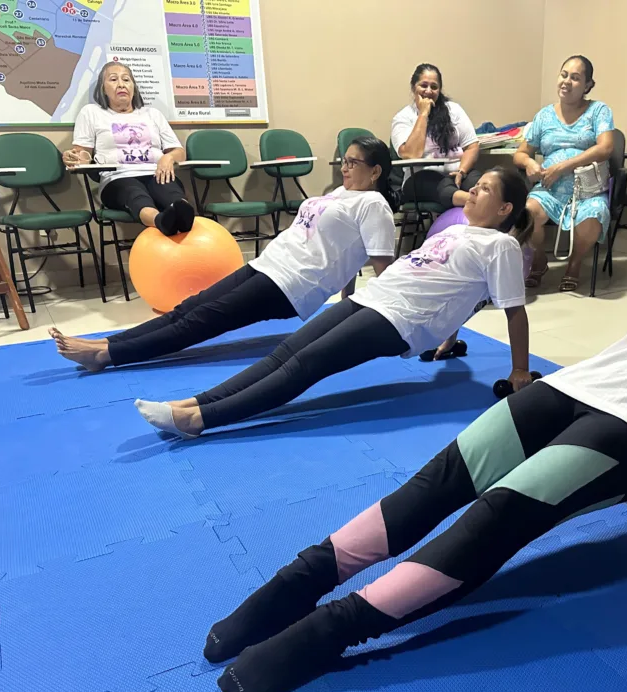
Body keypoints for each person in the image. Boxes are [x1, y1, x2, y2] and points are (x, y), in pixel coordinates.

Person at [202, 147, 627, 692]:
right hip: (582, 385)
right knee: (440, 480)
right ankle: (303, 580)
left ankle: (333, 629)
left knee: (502, 511)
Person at [133, 168, 534, 437]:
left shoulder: (500, 245)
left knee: (308, 364)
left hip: (400, 319)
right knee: (286, 351)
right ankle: (195, 401)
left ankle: (201, 419)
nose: (474, 189)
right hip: (376, 297)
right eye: (476, 183)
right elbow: (449, 286)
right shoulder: (457, 231)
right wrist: (449, 337)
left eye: (485, 188)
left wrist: (519, 371)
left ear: (504, 209)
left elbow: (513, 309)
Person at [49, 137, 399, 372]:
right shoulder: (341, 193)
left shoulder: (375, 205)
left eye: (354, 162)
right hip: (269, 264)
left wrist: (375, 323)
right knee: (189, 307)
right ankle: (110, 341)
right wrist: (344, 300)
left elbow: (383, 268)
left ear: (376, 171)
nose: (345, 166)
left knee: (200, 321)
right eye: (345, 160)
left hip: (292, 285)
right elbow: (346, 250)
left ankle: (106, 355)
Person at [515, 55, 615, 292]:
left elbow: (606, 147)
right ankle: (539, 261)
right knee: (528, 214)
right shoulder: (544, 116)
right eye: (564, 75)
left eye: (576, 78)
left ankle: (574, 264)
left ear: (588, 85)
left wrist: (564, 166)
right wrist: (529, 162)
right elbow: (520, 153)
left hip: (587, 191)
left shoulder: (598, 111)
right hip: (549, 189)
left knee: (595, 215)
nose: (567, 82)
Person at [63, 61, 196, 236]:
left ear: (133, 87)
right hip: (117, 177)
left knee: (169, 190)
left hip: (156, 172)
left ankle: (184, 218)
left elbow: (178, 152)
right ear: (103, 89)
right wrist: (75, 158)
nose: (121, 84)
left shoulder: (152, 114)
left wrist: (168, 158)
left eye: (126, 79)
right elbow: (83, 155)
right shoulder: (91, 113)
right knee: (134, 192)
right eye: (113, 79)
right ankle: (161, 221)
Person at [391, 63, 482, 210]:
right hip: (420, 178)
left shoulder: (454, 110)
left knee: (481, 183)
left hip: (457, 172)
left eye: (434, 87)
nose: (428, 91)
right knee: (443, 187)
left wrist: (461, 171)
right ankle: (478, 202)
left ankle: (484, 201)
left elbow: (472, 146)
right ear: (414, 87)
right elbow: (411, 154)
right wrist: (423, 114)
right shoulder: (403, 118)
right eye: (423, 85)